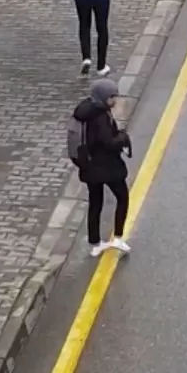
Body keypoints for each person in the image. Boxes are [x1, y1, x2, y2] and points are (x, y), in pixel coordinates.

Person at [73, 78, 134, 256]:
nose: (114, 100)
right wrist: (122, 138)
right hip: (107, 166)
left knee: (95, 202)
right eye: (111, 96)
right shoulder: (100, 117)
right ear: (103, 97)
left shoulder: (86, 111)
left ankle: (95, 242)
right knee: (122, 197)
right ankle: (118, 237)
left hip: (90, 166)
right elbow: (109, 142)